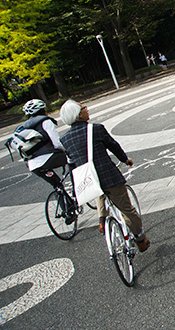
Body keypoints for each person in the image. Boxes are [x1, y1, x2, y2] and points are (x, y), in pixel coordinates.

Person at [59, 100, 150, 251]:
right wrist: (125, 160)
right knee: (127, 209)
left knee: (99, 192)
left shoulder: (65, 140)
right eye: (84, 108)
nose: (87, 110)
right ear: (79, 114)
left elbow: (72, 165)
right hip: (109, 176)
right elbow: (114, 146)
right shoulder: (96, 129)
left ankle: (102, 219)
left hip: (90, 181)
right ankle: (140, 239)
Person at [19, 99, 69, 190]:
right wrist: (68, 150)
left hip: (32, 165)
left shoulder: (24, 127)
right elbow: (57, 144)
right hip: (48, 158)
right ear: (43, 110)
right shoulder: (46, 121)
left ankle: (66, 202)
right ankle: (77, 188)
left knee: (57, 186)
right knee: (73, 158)